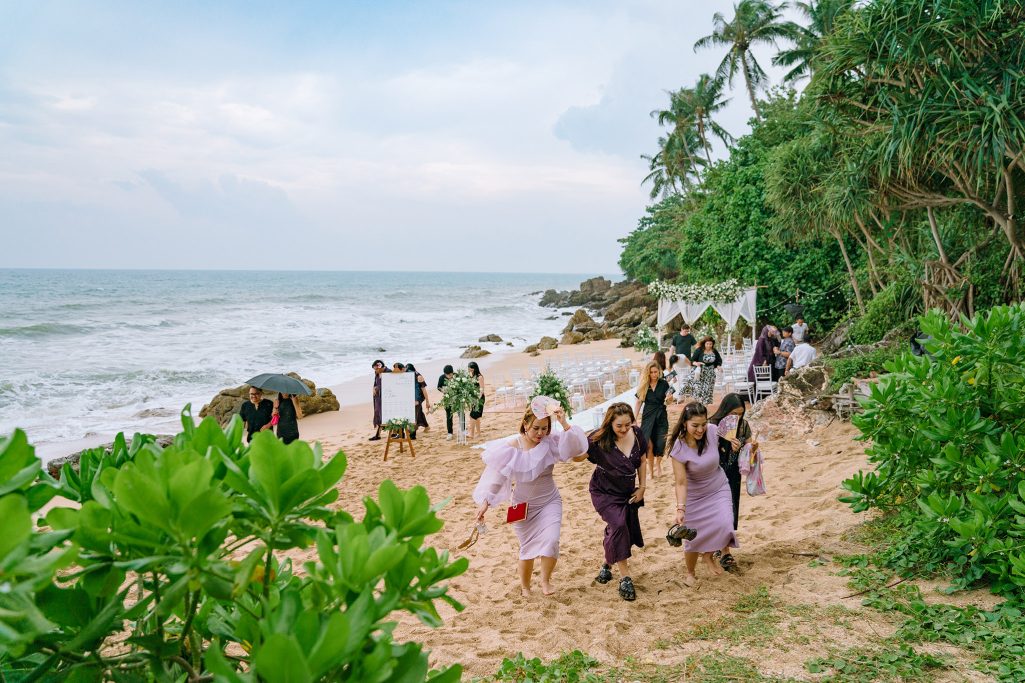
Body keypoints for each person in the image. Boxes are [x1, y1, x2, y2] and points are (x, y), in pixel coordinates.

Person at [473, 403, 588, 596]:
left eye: (545, 428)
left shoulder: (552, 442)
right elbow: (497, 477)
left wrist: (565, 424)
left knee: (551, 541)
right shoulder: (512, 446)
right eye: (536, 428)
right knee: (527, 548)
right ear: (525, 424)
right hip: (521, 506)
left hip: (550, 500)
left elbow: (578, 453)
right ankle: (525, 586)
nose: (540, 433)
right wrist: (486, 503)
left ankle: (545, 581)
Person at [575, 402, 647, 601]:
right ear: (610, 424)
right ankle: (625, 578)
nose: (624, 429)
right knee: (619, 525)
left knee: (619, 529)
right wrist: (570, 436)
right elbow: (578, 457)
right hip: (604, 492)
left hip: (627, 491)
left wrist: (642, 487)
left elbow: (642, 461)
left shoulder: (638, 435)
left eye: (627, 424)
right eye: (619, 426)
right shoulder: (599, 439)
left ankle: (607, 564)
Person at [667, 401, 738, 586]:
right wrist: (680, 509)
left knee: (725, 523)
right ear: (685, 423)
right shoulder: (679, 447)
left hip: (718, 488)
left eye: (703, 424)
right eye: (695, 425)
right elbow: (681, 482)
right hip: (694, 496)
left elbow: (731, 437)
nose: (701, 429)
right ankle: (690, 573)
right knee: (692, 536)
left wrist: (736, 444)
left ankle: (707, 555)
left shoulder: (713, 431)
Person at [708, 393, 758, 572]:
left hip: (733, 473)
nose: (737, 417)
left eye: (740, 413)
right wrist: (724, 444)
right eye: (733, 413)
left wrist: (749, 447)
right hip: (714, 474)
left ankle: (723, 549)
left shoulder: (743, 426)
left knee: (731, 511)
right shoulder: (712, 425)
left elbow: (750, 446)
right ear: (725, 410)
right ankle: (724, 551)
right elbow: (705, 450)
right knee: (718, 512)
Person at [633, 361, 672, 479]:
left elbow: (669, 401)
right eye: (651, 372)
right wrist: (634, 418)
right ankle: (651, 471)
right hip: (648, 417)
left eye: (656, 372)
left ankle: (658, 465)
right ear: (648, 373)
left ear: (659, 372)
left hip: (661, 416)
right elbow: (639, 402)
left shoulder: (664, 384)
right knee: (649, 445)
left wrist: (670, 399)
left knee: (660, 443)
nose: (654, 374)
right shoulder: (644, 385)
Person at [686, 337, 723, 405]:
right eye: (707, 344)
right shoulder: (699, 350)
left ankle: (705, 406)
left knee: (708, 390)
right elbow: (691, 361)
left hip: (710, 373)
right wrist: (696, 363)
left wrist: (718, 366)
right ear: (704, 344)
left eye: (710, 344)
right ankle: (698, 405)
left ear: (712, 344)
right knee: (698, 390)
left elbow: (719, 360)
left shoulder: (714, 351)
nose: (709, 345)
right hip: (700, 373)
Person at [406, 363, 430, 438]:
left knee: (415, 413)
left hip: (419, 397)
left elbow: (424, 390)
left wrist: (427, 401)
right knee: (419, 412)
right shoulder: (407, 376)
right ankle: (426, 426)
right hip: (411, 396)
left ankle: (413, 432)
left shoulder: (418, 376)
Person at [369, 359, 389, 441]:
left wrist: (377, 388)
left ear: (380, 366)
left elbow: (389, 385)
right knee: (378, 414)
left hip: (386, 398)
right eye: (374, 369)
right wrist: (374, 388)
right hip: (378, 397)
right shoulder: (377, 373)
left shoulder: (388, 372)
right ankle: (378, 434)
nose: (375, 370)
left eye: (376, 368)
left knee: (386, 414)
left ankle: (395, 432)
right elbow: (375, 383)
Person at [467, 361, 486, 441]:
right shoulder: (472, 376)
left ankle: (471, 434)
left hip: (479, 399)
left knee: (472, 416)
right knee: (477, 417)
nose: (469, 371)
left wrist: (476, 400)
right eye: (469, 369)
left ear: (474, 368)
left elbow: (481, 390)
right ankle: (478, 433)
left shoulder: (479, 377)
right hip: (473, 398)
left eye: (471, 369)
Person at [437, 364, 455, 440]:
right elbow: (438, 387)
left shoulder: (457, 376)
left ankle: (463, 430)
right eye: (446, 375)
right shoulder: (441, 377)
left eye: (450, 375)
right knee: (449, 416)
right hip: (447, 399)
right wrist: (443, 390)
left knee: (461, 414)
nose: (448, 376)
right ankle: (450, 433)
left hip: (458, 398)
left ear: (452, 373)